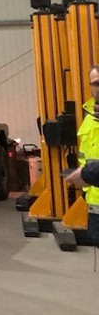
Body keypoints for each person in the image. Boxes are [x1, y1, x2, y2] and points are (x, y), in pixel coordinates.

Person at [66, 64, 99, 240]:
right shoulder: (89, 116)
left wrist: (86, 174)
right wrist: (86, 190)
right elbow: (86, 156)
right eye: (96, 83)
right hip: (95, 203)